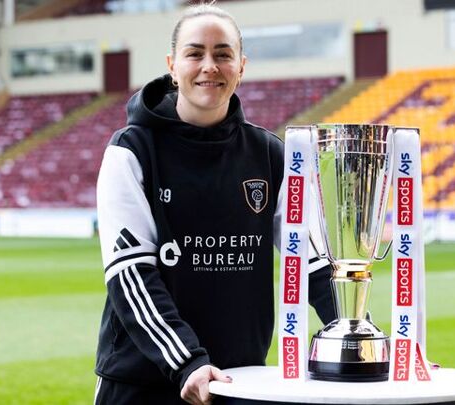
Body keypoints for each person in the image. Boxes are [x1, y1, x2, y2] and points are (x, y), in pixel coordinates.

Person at [93, 3, 335, 405]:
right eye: (195, 53)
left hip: (239, 380)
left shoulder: (271, 154)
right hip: (142, 382)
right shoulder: (131, 150)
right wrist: (188, 361)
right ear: (172, 66)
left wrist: (363, 342)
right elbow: (131, 275)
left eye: (223, 54)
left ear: (241, 66)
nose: (210, 66)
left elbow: (313, 263)